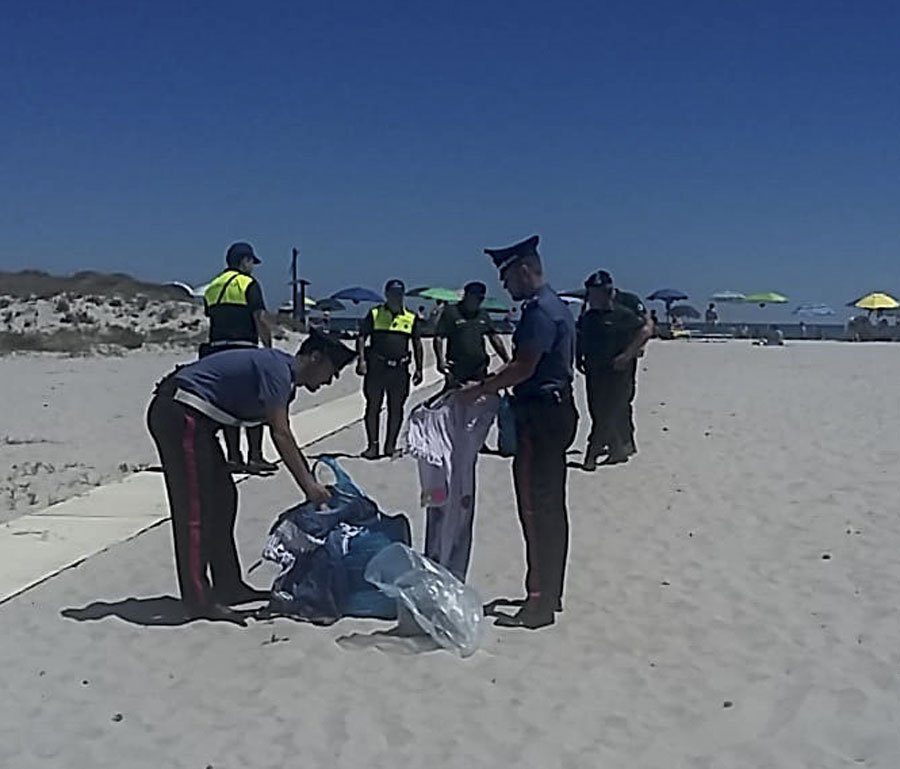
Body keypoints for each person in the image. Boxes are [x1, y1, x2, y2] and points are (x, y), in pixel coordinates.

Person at [146, 330, 357, 622]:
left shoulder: (282, 376)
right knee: (194, 510)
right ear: (315, 357)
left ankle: (228, 585)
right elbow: (281, 434)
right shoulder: (278, 372)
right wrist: (309, 486)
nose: (330, 381)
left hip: (197, 420)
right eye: (331, 372)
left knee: (223, 499)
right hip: (179, 413)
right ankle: (199, 601)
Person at [460, 235, 578, 629]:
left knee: (535, 509)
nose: (505, 287)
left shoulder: (540, 311)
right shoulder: (556, 305)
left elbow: (523, 366)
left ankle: (538, 602)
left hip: (540, 416)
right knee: (552, 508)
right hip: (555, 411)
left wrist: (479, 390)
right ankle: (551, 592)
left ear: (525, 270)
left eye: (508, 277)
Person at [201, 242, 276, 474]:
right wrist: (268, 346)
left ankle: (234, 456)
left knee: (226, 405)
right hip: (243, 348)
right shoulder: (248, 284)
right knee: (255, 402)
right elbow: (260, 318)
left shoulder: (212, 287)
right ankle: (255, 455)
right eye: (252, 262)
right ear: (245, 261)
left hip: (216, 351)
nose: (253, 267)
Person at [576, 271, 651, 470]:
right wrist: (578, 358)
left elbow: (645, 330)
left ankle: (591, 453)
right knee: (596, 410)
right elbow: (579, 337)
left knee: (610, 410)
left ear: (606, 293)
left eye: (594, 293)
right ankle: (617, 448)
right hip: (594, 370)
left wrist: (628, 354)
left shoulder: (623, 315)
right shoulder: (589, 317)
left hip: (618, 372)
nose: (591, 298)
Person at [356, 279, 424, 459]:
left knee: (397, 409)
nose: (396, 297)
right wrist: (361, 360)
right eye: (393, 293)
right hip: (376, 368)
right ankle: (372, 446)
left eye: (399, 293)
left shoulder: (411, 317)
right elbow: (362, 337)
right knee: (373, 407)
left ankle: (390, 446)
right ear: (386, 294)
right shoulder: (375, 314)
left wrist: (419, 369)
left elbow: (417, 344)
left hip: (400, 370)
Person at [603, 277, 653, 457]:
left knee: (622, 400)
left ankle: (625, 440)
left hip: (625, 358)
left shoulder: (629, 301)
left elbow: (647, 326)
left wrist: (634, 349)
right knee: (602, 402)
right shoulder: (593, 303)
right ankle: (607, 439)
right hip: (602, 360)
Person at [433, 281, 510, 386]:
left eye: (481, 299)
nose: (479, 302)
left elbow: (494, 336)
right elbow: (438, 337)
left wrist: (506, 359)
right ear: (467, 296)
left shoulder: (483, 314)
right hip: (457, 367)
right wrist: (440, 361)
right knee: (455, 397)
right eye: (477, 298)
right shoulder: (451, 312)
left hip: (479, 368)